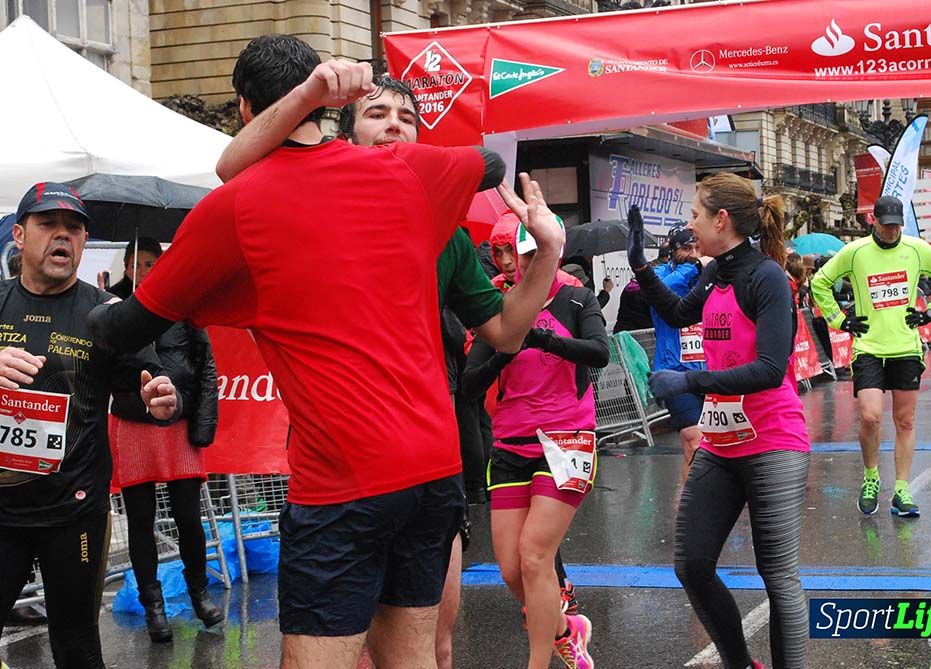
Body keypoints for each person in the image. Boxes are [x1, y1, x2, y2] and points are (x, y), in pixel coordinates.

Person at [87, 36, 564, 669]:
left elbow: (121, 328)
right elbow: (490, 168)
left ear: (242, 108)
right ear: (335, 107)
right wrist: (549, 251)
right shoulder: (408, 173)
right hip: (430, 467)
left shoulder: (235, 207)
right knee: (415, 657)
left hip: (344, 480)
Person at [216, 65, 563, 669]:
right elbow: (231, 169)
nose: (395, 126)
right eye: (377, 114)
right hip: (338, 470)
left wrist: (549, 254)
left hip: (427, 466)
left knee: (432, 648)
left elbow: (506, 331)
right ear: (341, 135)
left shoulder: (447, 235)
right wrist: (313, 93)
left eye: (408, 118)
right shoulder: (308, 204)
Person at [627, 175, 810, 669]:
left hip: (772, 442)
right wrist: (640, 265)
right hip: (723, 442)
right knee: (692, 564)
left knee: (777, 574)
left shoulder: (765, 277)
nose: (690, 223)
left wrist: (691, 382)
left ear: (721, 220)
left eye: (695, 215)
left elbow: (772, 369)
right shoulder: (715, 274)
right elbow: (677, 311)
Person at [0, 183, 179, 669]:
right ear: (19, 234)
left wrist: (162, 394)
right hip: (2, 511)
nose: (63, 235)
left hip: (73, 510)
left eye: (74, 227)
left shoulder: (105, 313)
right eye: (48, 224)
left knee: (77, 647)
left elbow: (155, 377)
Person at [463, 218, 609, 669]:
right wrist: (505, 348)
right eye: (505, 254)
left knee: (535, 556)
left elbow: (599, 351)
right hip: (510, 445)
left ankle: (538, 662)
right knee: (513, 570)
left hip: (567, 440)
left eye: (521, 253)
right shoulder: (498, 305)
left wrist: (542, 337)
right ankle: (567, 629)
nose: (511, 263)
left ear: (547, 253)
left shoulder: (576, 297)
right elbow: (468, 386)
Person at [811, 195, 931, 518]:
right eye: (886, 224)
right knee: (870, 416)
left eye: (896, 225)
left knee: (905, 420)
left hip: (905, 347)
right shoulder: (856, 252)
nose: (892, 231)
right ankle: (871, 476)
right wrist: (840, 320)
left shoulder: (916, 250)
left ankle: (902, 490)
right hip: (868, 347)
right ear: (873, 220)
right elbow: (820, 282)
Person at [106, 238, 223, 643]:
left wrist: (202, 426)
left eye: (151, 262)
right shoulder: (111, 310)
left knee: (190, 518)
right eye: (136, 262)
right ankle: (153, 607)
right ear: (125, 267)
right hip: (134, 425)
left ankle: (200, 593)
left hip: (179, 424)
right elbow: (103, 372)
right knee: (140, 520)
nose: (144, 269)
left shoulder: (184, 307)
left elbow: (206, 368)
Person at [649, 228, 706, 480]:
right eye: (687, 248)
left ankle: (691, 506)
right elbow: (661, 289)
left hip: (710, 371)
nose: (693, 254)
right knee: (694, 440)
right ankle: (697, 509)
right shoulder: (662, 273)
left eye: (697, 249)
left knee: (711, 446)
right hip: (674, 371)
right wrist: (694, 267)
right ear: (673, 250)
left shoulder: (707, 277)